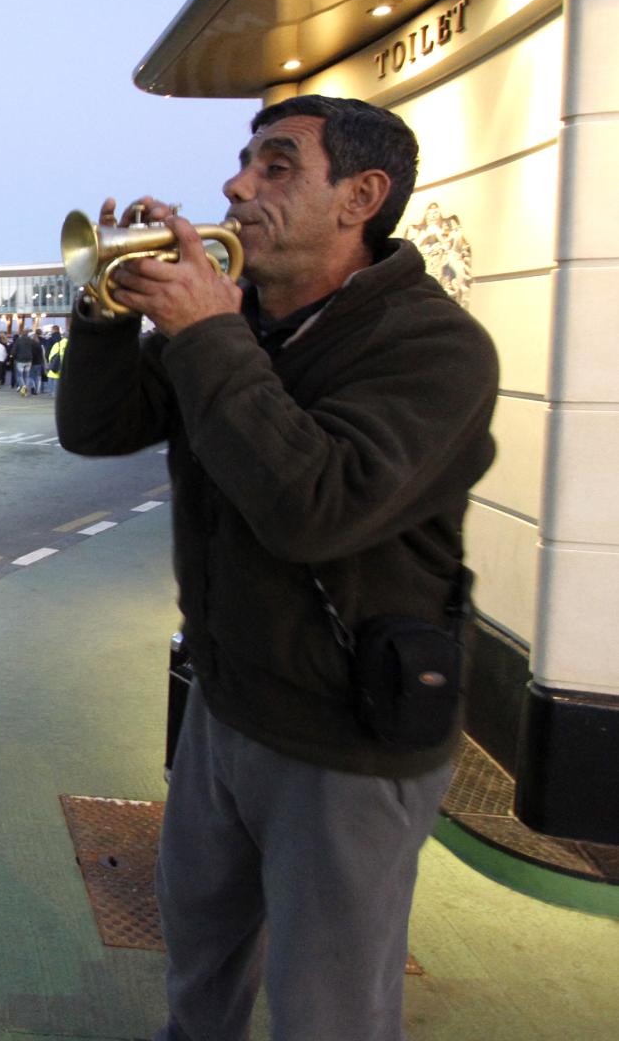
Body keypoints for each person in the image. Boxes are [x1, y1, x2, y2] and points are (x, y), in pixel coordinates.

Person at [56, 95, 499, 1041]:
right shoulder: (240, 316)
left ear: (361, 198)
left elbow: (316, 507)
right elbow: (96, 431)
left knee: (327, 1012)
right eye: (244, 162)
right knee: (200, 968)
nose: (234, 186)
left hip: (346, 740)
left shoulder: (436, 349)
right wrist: (103, 313)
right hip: (224, 708)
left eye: (277, 166)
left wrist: (208, 332)